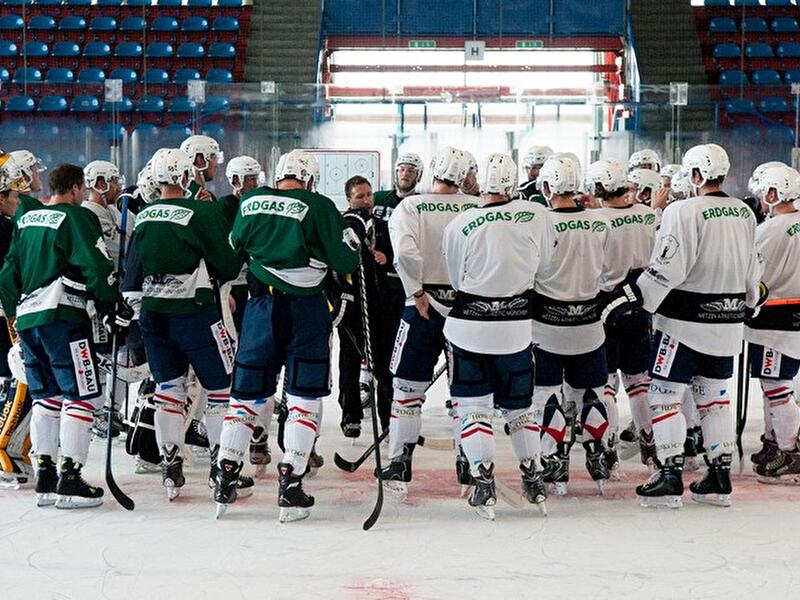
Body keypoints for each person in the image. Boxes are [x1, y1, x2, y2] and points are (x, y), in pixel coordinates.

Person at [603, 143, 763, 509]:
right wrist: (750, 302)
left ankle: (670, 473)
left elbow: (666, 268)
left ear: (695, 175)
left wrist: (639, 300)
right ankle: (719, 475)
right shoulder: (744, 213)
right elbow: (755, 270)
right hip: (727, 325)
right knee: (714, 397)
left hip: (683, 325)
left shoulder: (682, 211)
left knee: (664, 395)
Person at [214, 150, 361, 522]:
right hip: (306, 311)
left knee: (246, 397)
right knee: (303, 399)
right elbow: (346, 261)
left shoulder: (249, 201)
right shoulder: (319, 204)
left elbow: (235, 250)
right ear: (309, 178)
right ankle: (291, 482)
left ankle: (226, 473)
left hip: (260, 310)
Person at [442, 153, 555, 519]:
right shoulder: (536, 214)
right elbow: (546, 266)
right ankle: (534, 479)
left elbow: (456, 278)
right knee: (521, 409)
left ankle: (484, 483)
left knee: (474, 408)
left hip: (468, 327)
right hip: (517, 328)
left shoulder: (461, 222)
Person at [0, 163, 119, 509]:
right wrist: (111, 303)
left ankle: (46, 476)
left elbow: (8, 275)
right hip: (64, 318)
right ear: (77, 188)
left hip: (28, 320)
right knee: (80, 396)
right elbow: (96, 264)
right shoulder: (76, 217)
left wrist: (14, 317)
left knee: (46, 399)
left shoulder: (25, 219)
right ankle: (71, 476)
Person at [129, 148, 246, 501]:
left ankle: (170, 464)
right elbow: (226, 263)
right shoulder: (201, 211)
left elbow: (132, 273)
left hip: (152, 313)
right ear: (184, 177)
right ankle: (220, 466)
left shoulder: (145, 214)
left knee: (169, 387)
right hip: (195, 314)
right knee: (219, 388)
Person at [379, 146, 478, 496]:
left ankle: (399, 461)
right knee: (468, 395)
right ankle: (469, 463)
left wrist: (416, 292)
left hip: (419, 306)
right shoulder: (477, 207)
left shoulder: (411, 206)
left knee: (406, 389)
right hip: (468, 308)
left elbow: (405, 253)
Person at [530, 154, 613, 495]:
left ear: (547, 186)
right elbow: (606, 271)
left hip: (546, 325)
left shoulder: (537, 221)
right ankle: (597, 452)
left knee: (546, 396)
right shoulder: (600, 220)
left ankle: (554, 460)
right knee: (590, 393)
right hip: (589, 324)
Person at [587, 159, 658, 474]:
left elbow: (590, 268)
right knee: (639, 382)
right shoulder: (647, 215)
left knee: (606, 384)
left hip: (605, 306)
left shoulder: (595, 220)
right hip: (642, 306)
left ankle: (609, 453)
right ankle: (651, 448)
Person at [745, 164, 800, 482]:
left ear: (773, 193)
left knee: (775, 385)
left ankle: (790, 450)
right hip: (792, 315)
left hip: (775, 318)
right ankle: (774, 442)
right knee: (781, 384)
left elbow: (754, 279)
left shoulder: (767, 230)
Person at [336, 175, 393, 437]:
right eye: (360, 196)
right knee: (350, 358)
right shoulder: (344, 223)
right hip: (353, 303)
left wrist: (385, 257)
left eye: (369, 195)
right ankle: (351, 414)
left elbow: (393, 254)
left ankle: (388, 416)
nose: (366, 200)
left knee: (384, 362)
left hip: (380, 302)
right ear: (349, 199)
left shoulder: (380, 225)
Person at [180, 135, 222, 201]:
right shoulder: (204, 196)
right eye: (214, 157)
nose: (217, 165)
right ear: (200, 160)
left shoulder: (179, 192)